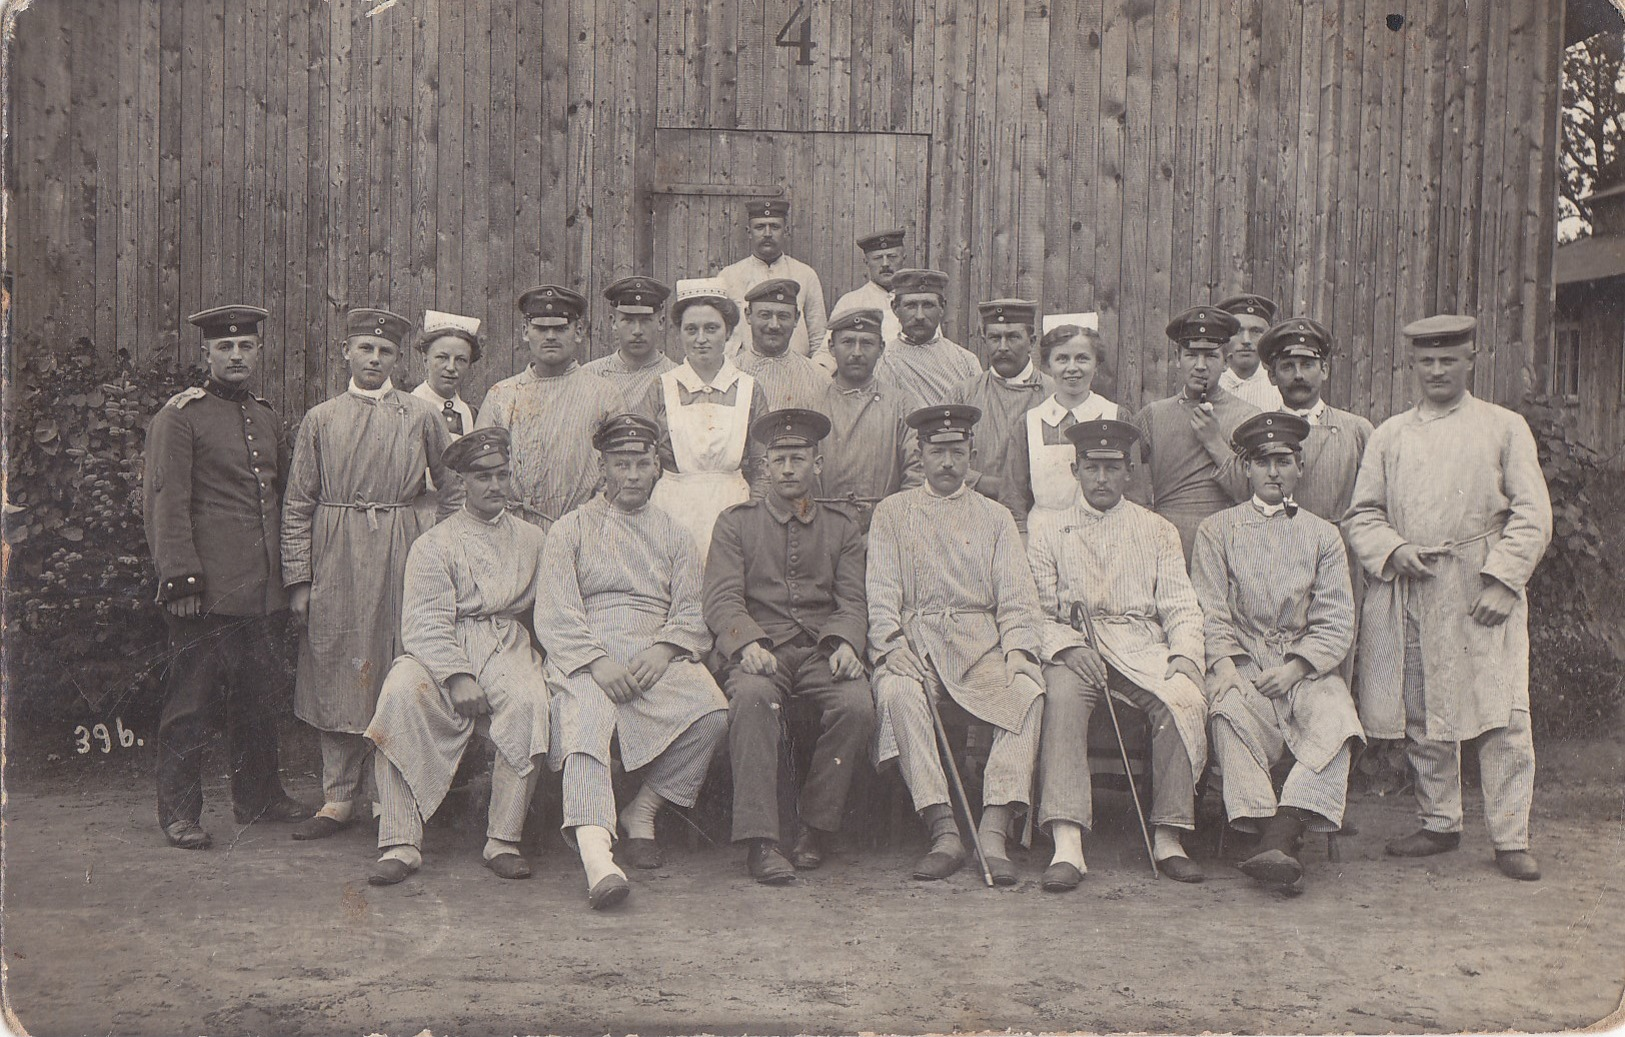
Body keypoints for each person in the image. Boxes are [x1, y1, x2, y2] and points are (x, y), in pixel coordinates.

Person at [1343, 314, 1552, 882]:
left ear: (1469, 360)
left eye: (1448, 360)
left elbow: (1533, 514)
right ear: (1413, 365)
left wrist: (1504, 581)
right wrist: (1394, 549)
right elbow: (1362, 514)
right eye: (1426, 361)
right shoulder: (1391, 435)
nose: (1437, 370)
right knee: (1425, 710)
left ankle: (1511, 836)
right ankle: (1439, 822)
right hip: (1416, 586)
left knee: (1502, 712)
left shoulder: (1503, 427)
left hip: (1481, 588)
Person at [535, 414, 730, 910]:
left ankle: (644, 809)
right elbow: (556, 611)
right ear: (602, 468)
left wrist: (664, 650)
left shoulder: (674, 533)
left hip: (652, 651)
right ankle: (597, 855)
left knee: (710, 709)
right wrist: (595, 662)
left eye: (642, 464)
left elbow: (690, 609)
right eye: (620, 464)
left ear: (658, 467)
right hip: (587, 653)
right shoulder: (570, 529)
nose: (632, 476)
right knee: (586, 720)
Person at [281, 307, 460, 840]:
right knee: (336, 664)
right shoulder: (321, 418)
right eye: (365, 349)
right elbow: (297, 503)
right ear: (347, 353)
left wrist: (438, 549)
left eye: (385, 352)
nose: (374, 359)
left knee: (394, 664)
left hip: (402, 550)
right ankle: (336, 797)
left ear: (398, 359)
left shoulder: (420, 416)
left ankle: (390, 795)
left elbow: (452, 488)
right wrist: (300, 580)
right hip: (335, 552)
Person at [144, 304, 314, 849]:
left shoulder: (263, 415)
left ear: (258, 351)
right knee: (190, 704)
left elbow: (278, 502)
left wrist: (286, 579)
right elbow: (166, 502)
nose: (236, 356)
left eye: (246, 347)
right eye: (225, 348)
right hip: (207, 592)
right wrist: (181, 579)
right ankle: (178, 813)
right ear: (207, 354)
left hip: (259, 590)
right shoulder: (181, 415)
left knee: (257, 699)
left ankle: (259, 798)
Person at [867, 404, 1046, 885]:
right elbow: (881, 593)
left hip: (978, 647)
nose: (947, 462)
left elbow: (1015, 598)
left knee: (1027, 693)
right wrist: (890, 646)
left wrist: (1017, 653)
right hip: (917, 642)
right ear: (920, 454)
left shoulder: (996, 517)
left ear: (972, 454)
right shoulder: (892, 513)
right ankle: (942, 826)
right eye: (937, 451)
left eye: (956, 451)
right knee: (897, 692)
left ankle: (993, 829)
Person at [363, 428, 551, 886]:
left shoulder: (533, 538)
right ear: (463, 482)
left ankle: (503, 839)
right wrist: (456, 675)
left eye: (502, 475)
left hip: (506, 642)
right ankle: (400, 840)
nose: (494, 486)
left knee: (529, 700)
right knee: (400, 693)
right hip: (442, 645)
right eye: (482, 476)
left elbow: (547, 609)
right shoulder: (434, 543)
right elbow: (424, 622)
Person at [1027, 419, 1209, 889]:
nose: (1102, 479)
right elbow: (1037, 609)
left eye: (1112, 468)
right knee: (1061, 698)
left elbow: (1180, 605)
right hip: (1077, 647)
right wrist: (1066, 646)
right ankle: (1068, 842)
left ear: (1129, 472)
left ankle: (1169, 834)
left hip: (1142, 646)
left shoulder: (1157, 530)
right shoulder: (1047, 526)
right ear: (1075, 470)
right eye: (1092, 468)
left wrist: (1185, 656)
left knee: (1180, 699)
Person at [1191, 413, 1364, 892]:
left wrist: (1296, 668)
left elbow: (1335, 618)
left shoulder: (1323, 535)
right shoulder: (1217, 530)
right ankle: (1268, 830)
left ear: (1299, 467)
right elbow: (1209, 609)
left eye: (1283, 461)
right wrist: (1225, 665)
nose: (1273, 472)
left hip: (1304, 665)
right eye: (1262, 461)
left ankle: (1281, 834)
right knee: (1227, 710)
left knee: (1337, 715)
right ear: (1245, 468)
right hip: (1242, 661)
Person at [704, 409, 874, 883]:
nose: (787, 468)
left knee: (857, 705)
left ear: (817, 465)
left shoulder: (842, 527)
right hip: (764, 651)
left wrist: (845, 642)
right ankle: (761, 841)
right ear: (763, 467)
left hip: (820, 651)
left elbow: (852, 599)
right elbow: (721, 597)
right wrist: (745, 644)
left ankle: (816, 828)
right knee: (754, 698)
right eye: (778, 459)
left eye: (798, 458)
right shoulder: (735, 524)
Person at [476, 284, 622, 530]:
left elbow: (617, 470)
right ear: (525, 331)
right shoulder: (502, 394)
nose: (551, 336)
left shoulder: (604, 394)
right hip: (510, 531)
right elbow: (479, 468)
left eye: (561, 328)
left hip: (583, 529)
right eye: (541, 328)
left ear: (578, 331)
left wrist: (589, 524)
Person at [643, 278, 770, 560]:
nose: (701, 339)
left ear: (728, 332)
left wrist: (754, 518)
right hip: (670, 511)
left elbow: (763, 467)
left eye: (711, 328)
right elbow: (643, 462)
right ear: (679, 334)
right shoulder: (661, 388)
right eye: (691, 330)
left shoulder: (749, 388)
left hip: (734, 508)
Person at [1129, 305, 1261, 562]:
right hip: (1164, 543)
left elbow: (1250, 493)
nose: (1200, 365)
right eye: (1191, 355)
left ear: (1226, 363)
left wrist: (1214, 441)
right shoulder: (1153, 415)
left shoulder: (1247, 417)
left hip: (1227, 543)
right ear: (1177, 359)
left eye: (1211, 356)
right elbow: (1130, 484)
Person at [814, 308, 924, 527]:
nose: (856, 352)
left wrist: (886, 528)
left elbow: (916, 474)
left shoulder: (901, 404)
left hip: (886, 527)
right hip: (821, 531)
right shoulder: (813, 405)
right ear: (831, 347)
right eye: (847, 342)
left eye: (866, 343)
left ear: (881, 348)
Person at [1258, 317, 1373, 523]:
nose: (1298, 375)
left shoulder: (1357, 430)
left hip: (1341, 548)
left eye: (1307, 365)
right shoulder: (1261, 432)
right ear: (1272, 376)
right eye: (1287, 367)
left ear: (1324, 371)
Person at [1003, 324, 1120, 528]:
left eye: (1082, 358)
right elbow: (1013, 499)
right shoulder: (1028, 423)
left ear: (1096, 364)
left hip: (1104, 534)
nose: (1072, 368)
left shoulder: (1115, 417)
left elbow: (1134, 493)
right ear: (1048, 366)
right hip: (1042, 538)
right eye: (1062, 359)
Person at [951, 298, 1053, 515]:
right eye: (995, 338)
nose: (1003, 347)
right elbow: (943, 456)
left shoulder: (1053, 394)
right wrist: (981, 481)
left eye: (1013, 337)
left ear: (1032, 341)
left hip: (1035, 514)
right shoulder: (965, 393)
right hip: (973, 511)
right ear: (984, 339)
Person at [717, 198, 830, 370]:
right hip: (743, 372)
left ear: (786, 231)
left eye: (774, 227)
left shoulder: (805, 274)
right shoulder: (728, 276)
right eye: (760, 227)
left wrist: (813, 373)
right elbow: (718, 332)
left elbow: (818, 336)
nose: (767, 233)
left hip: (795, 373)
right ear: (749, 232)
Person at [874, 268, 982, 406]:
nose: (920, 316)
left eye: (928, 305)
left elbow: (980, 413)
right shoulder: (882, 361)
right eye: (911, 306)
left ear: (942, 308)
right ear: (895, 308)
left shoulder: (966, 361)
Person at [734, 278, 831, 412]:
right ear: (748, 315)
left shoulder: (818, 377)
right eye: (765, 315)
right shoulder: (730, 373)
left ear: (796, 318)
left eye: (783, 316)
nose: (774, 325)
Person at [581, 275, 677, 410]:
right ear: (613, 322)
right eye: (628, 320)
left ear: (660, 322)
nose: (637, 330)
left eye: (646, 320)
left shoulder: (675, 376)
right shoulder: (590, 375)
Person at [825, 227, 905, 348]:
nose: (885, 264)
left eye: (892, 257)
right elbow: (828, 351)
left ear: (903, 258)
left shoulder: (916, 302)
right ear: (866, 262)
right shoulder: (850, 302)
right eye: (877, 258)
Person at [410, 309, 480, 437]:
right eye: (442, 357)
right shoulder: (407, 408)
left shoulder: (472, 415)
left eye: (460, 360)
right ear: (425, 359)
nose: (451, 367)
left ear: (469, 365)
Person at [1216, 293, 1284, 411]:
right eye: (1237, 331)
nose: (1246, 340)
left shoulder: (1280, 390)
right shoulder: (1212, 385)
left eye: (1256, 331)